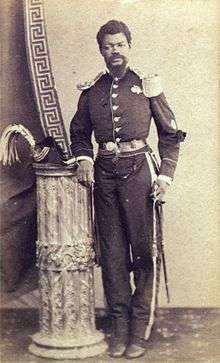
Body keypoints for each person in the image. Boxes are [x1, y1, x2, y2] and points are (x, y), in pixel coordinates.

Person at [69, 20, 185, 359]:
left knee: (144, 252)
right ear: (101, 51)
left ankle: (139, 331)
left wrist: (165, 177)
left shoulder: (147, 87)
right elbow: (79, 132)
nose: (114, 51)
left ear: (129, 47)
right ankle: (118, 330)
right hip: (104, 176)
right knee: (113, 255)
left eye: (120, 44)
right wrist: (84, 158)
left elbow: (171, 135)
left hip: (140, 174)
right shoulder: (91, 90)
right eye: (108, 46)